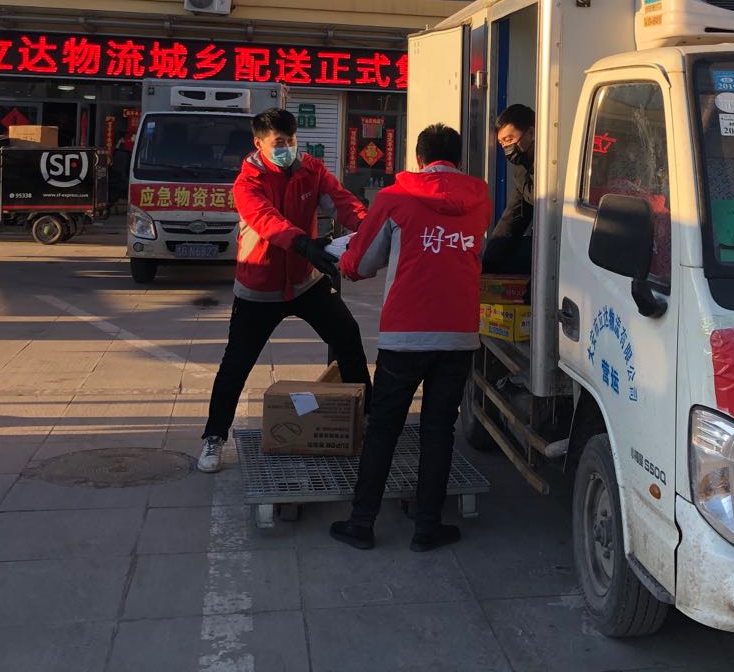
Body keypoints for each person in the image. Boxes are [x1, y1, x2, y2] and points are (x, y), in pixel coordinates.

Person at [329, 123, 491, 552]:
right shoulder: (480, 199)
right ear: (458, 159)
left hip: (405, 334)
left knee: (384, 427)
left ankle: (362, 523)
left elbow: (361, 263)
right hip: (459, 334)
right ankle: (427, 527)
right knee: (438, 430)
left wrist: (343, 260)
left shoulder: (394, 197)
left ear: (419, 159)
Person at [197, 108, 372, 474]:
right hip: (259, 287)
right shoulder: (247, 183)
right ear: (258, 143)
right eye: (279, 142)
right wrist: (305, 244)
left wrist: (368, 228)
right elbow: (267, 221)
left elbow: (341, 202)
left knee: (347, 336)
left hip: (306, 280)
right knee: (236, 364)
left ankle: (368, 418)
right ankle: (214, 437)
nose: (287, 148)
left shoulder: (311, 169)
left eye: (291, 140)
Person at [482, 104, 534, 273]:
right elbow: (514, 215)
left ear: (531, 133)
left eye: (509, 139)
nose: (506, 148)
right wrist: (489, 263)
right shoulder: (521, 168)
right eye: (501, 142)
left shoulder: (553, 164)